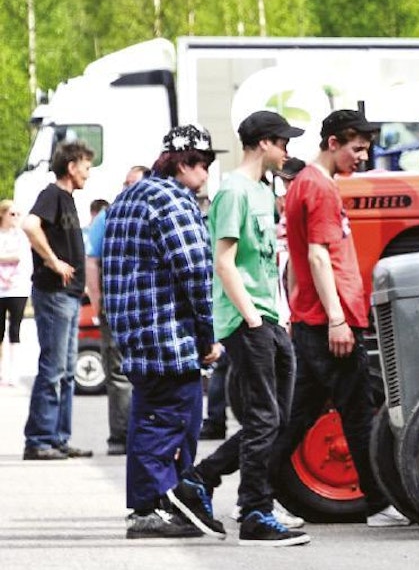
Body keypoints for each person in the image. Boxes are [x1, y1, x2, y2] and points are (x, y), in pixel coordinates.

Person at [280, 110, 409, 528]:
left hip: (315, 318)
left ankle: (240, 490)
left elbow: (300, 262)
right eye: (357, 148)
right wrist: (336, 319)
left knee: (299, 416)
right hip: (330, 321)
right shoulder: (320, 188)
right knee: (356, 413)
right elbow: (317, 255)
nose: (363, 157)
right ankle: (377, 505)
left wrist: (298, 310)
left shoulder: (306, 184)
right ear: (333, 143)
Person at [191, 111, 311, 547]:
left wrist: (277, 315)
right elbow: (223, 261)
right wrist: (254, 318)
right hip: (247, 320)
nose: (287, 152)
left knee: (274, 419)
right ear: (263, 142)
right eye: (283, 143)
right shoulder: (233, 193)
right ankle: (255, 512)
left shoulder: (263, 192)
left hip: (271, 318)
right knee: (264, 418)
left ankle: (200, 480)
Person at [103, 130, 225, 539]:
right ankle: (153, 509)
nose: (207, 173)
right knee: (168, 424)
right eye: (203, 163)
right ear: (182, 162)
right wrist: (207, 336)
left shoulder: (129, 197)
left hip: (136, 334)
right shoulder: (173, 199)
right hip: (168, 336)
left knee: (152, 419)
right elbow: (194, 270)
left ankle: (158, 505)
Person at [22, 140, 94, 460]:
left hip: (69, 294)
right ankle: (39, 439)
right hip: (54, 293)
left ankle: (57, 438)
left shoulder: (68, 199)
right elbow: (29, 225)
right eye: (86, 167)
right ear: (71, 167)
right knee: (53, 368)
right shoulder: (52, 195)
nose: (88, 174)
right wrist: (52, 261)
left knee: (65, 371)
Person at [85, 165, 149, 456]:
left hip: (149, 306)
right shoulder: (108, 215)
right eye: (124, 183)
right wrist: (96, 299)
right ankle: (121, 437)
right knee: (119, 372)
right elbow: (91, 260)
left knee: (149, 371)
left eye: (132, 183)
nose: (125, 189)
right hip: (117, 305)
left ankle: (144, 433)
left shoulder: (154, 212)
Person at [0, 199, 32, 386]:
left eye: (18, 214)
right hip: (1, 289)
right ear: (3, 214)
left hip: (17, 287)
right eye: (12, 214)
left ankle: (14, 371)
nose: (16, 218)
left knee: (15, 329)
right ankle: (2, 371)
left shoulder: (21, 236)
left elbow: (19, 257)